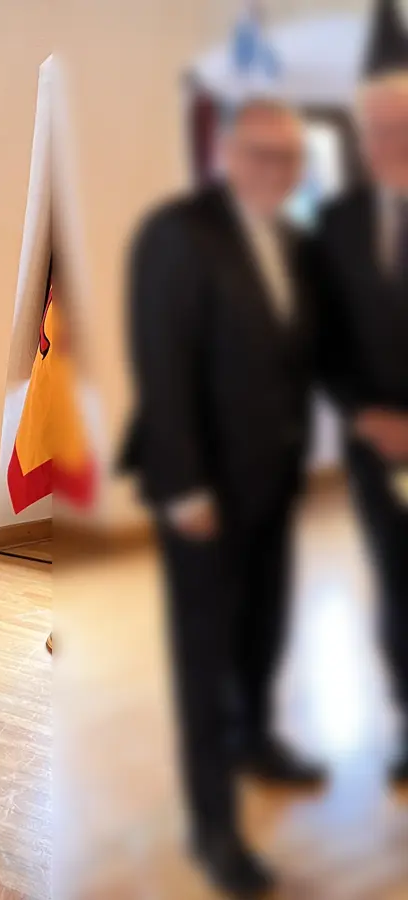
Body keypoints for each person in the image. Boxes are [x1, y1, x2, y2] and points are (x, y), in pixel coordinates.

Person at [123, 98, 319, 898]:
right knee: (204, 657)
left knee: (266, 625)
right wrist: (183, 487)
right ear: (228, 155)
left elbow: (308, 352)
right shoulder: (177, 232)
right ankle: (213, 829)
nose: (276, 170)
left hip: (276, 472)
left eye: (289, 157)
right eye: (261, 153)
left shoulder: (297, 241)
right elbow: (160, 367)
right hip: (200, 484)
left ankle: (258, 742)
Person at [310, 8, 408, 792]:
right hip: (376, 448)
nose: (388, 139)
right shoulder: (339, 220)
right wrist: (365, 415)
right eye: (376, 125)